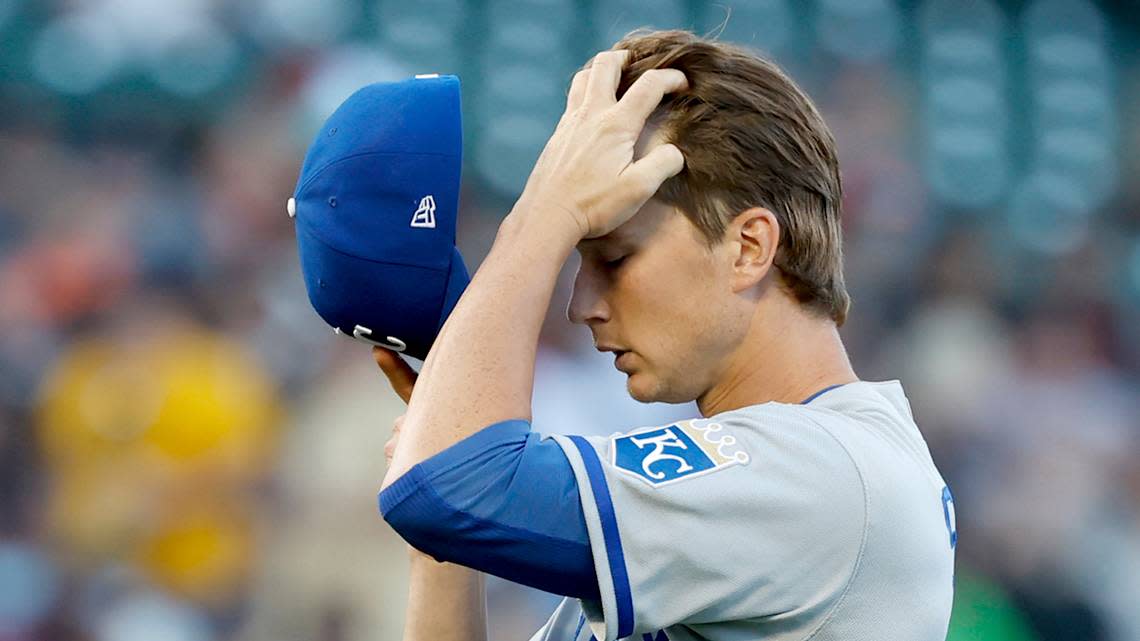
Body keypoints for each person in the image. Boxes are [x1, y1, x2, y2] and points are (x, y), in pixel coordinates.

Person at [373, 30, 957, 641]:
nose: (581, 306)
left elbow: (446, 487)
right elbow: (445, 495)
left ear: (748, 247)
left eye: (615, 259)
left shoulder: (826, 472)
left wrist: (543, 213)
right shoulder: (763, 486)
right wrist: (446, 541)